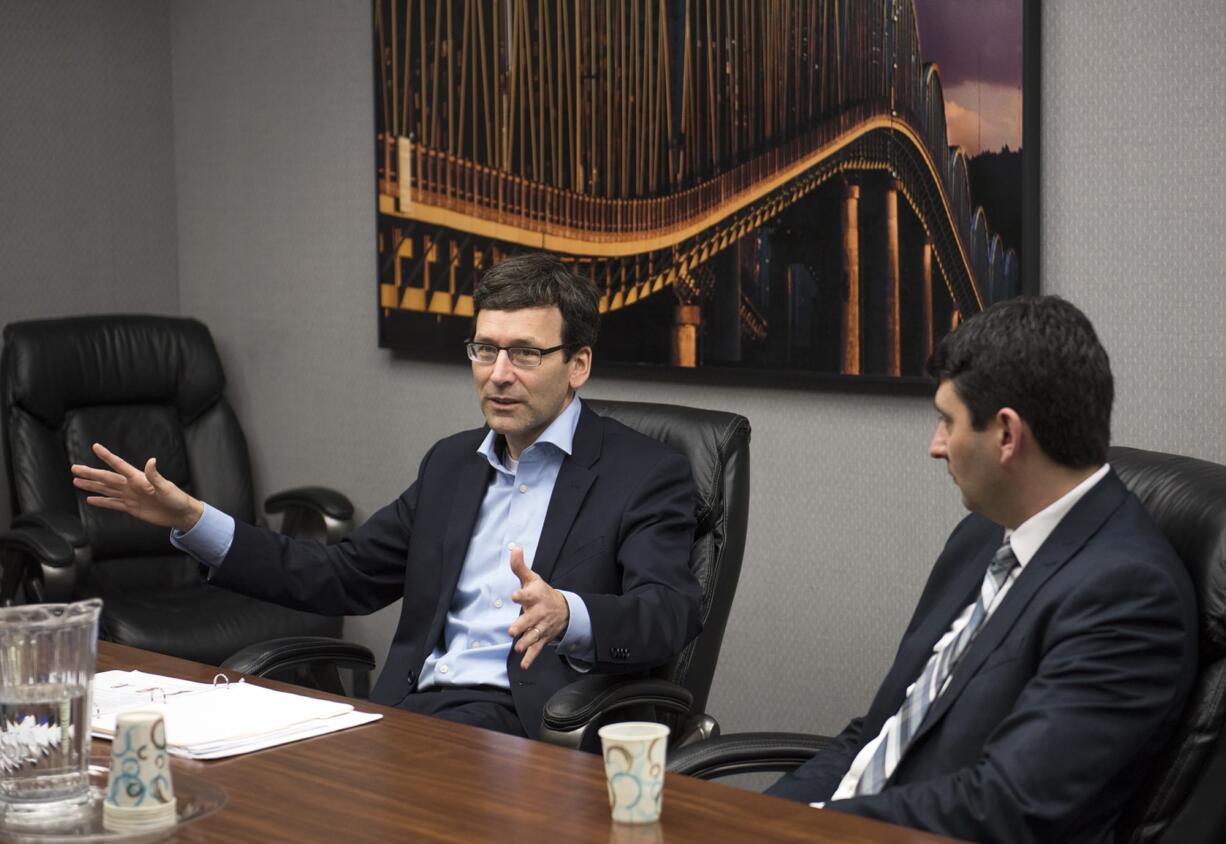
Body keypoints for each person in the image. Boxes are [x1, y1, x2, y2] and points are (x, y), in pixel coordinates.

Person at [71, 253, 702, 739]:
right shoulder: (453, 463)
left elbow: (668, 615)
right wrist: (194, 519)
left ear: (579, 364)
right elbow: (341, 575)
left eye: (526, 353)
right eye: (486, 349)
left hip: (529, 724)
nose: (499, 373)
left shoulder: (644, 472)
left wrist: (570, 613)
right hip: (407, 711)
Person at [766, 297, 1197, 843]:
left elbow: (1009, 805)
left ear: (1007, 435)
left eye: (947, 421)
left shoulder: (1129, 595)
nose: (936, 446)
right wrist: (745, 818)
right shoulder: (982, 536)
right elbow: (879, 734)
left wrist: (812, 828)